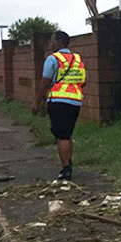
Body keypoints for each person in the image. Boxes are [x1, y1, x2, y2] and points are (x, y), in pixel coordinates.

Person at [32, 31, 86, 180]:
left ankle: (66, 169)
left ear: (60, 43)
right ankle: (68, 162)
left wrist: (36, 103)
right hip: (75, 101)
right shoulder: (77, 59)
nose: (50, 44)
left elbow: (44, 82)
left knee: (61, 136)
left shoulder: (53, 59)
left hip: (58, 101)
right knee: (67, 134)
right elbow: (83, 81)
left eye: (52, 41)